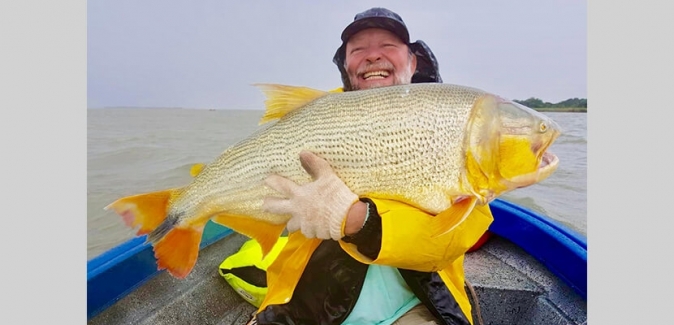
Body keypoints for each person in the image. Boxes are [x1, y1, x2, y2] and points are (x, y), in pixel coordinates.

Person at [252, 7, 494, 325]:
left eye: (388, 46)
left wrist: (357, 221)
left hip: (417, 304)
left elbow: (452, 240)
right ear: (346, 65)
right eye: (358, 49)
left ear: (412, 61)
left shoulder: (453, 119)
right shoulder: (313, 117)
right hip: (309, 302)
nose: (372, 56)